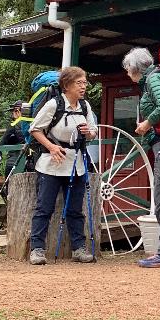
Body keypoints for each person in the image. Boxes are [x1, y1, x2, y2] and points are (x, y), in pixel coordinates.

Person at [122, 46, 160, 268]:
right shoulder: (158, 77)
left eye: (127, 68)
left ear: (134, 67)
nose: (127, 73)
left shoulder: (153, 80)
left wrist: (147, 123)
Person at [27, 68, 97, 265]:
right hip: (51, 165)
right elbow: (35, 129)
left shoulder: (85, 106)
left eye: (85, 83)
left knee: (75, 209)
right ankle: (37, 249)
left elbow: (93, 132)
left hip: (77, 165)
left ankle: (79, 249)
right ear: (66, 86)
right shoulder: (53, 105)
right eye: (79, 83)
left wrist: (88, 133)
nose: (83, 86)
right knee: (44, 208)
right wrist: (51, 147)